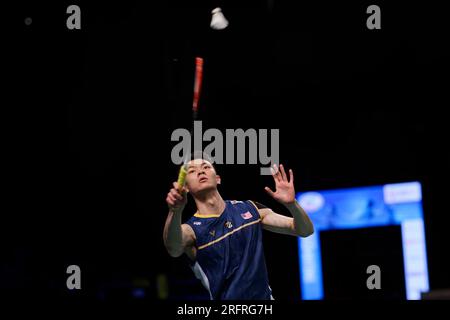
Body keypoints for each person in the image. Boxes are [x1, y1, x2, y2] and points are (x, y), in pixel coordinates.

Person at [163, 154, 314, 300]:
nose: (201, 171)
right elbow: (174, 248)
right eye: (192, 171)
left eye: (206, 167)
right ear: (186, 187)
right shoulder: (192, 230)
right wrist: (175, 211)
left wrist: (292, 204)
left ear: (218, 179)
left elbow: (305, 230)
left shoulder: (250, 209)